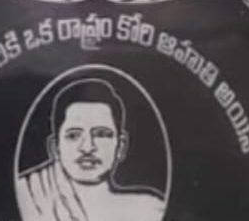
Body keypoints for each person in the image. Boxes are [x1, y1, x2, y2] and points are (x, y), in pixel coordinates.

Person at [16, 77, 164, 221]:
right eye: (73, 135)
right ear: (55, 148)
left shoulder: (149, 211)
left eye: (101, 134)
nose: (88, 147)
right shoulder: (26, 197)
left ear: (121, 146)